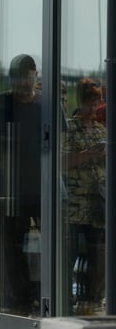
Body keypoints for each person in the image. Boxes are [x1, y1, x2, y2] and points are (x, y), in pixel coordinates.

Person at [0, 54, 41, 315]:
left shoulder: (47, 104)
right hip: (11, 188)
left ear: (36, 75)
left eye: (29, 74)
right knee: (13, 245)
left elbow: (60, 142)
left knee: (51, 243)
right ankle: (21, 298)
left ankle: (46, 293)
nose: (25, 81)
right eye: (20, 76)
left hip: (42, 185)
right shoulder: (2, 104)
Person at [62, 78, 106, 314]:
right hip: (75, 203)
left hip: (96, 202)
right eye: (90, 101)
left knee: (97, 255)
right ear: (81, 101)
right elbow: (61, 162)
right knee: (69, 255)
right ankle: (66, 300)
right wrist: (89, 154)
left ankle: (91, 300)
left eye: (97, 101)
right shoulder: (69, 127)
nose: (94, 106)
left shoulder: (101, 129)